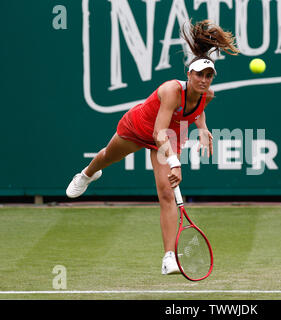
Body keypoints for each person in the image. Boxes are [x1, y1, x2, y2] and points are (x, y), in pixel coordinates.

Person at [66, 20, 239, 275]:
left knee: (167, 194)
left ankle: (169, 258)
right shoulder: (171, 90)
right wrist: (175, 163)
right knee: (107, 157)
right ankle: (87, 174)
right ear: (188, 75)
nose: (204, 80)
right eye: (199, 74)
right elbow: (158, 133)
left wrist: (202, 129)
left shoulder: (208, 94)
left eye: (208, 76)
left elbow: (198, 112)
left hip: (170, 135)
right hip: (141, 127)